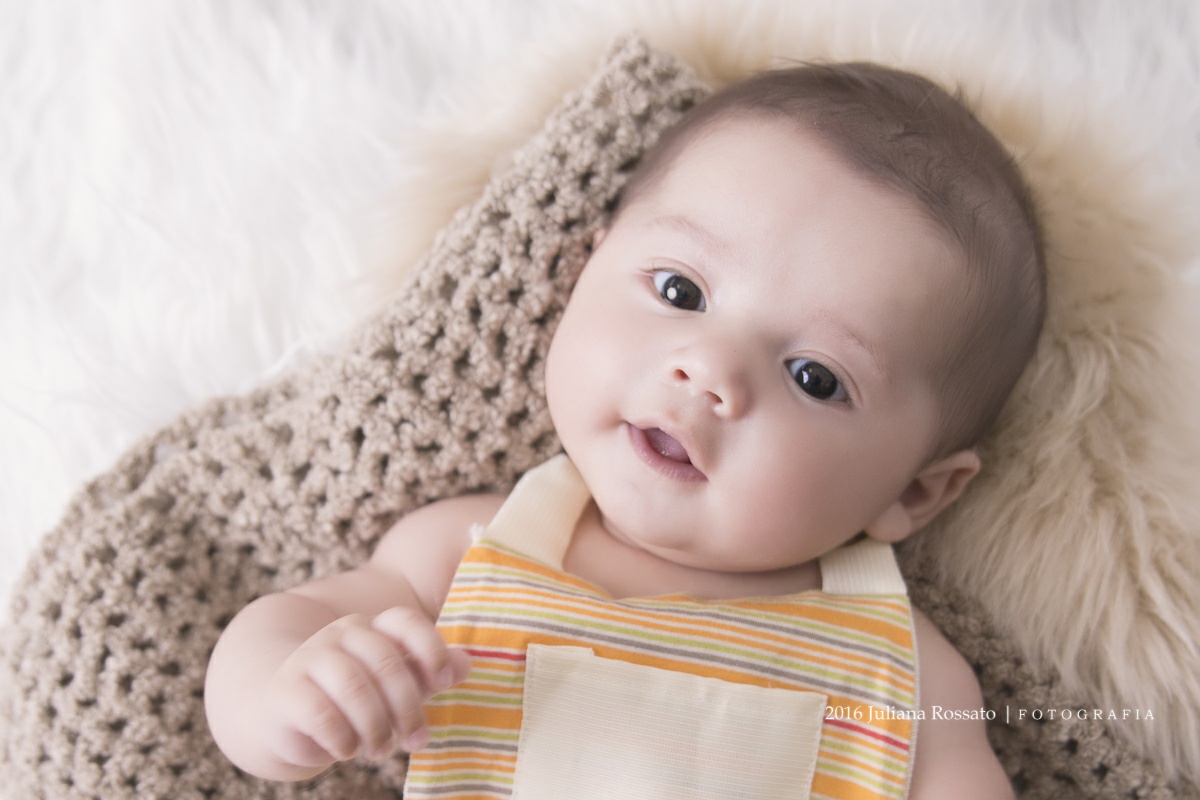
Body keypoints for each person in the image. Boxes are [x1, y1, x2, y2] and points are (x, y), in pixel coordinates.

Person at [205, 61, 1043, 799]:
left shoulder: (906, 672)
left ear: (915, 493)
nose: (708, 371)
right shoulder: (473, 552)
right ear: (583, 273)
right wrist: (293, 697)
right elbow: (280, 631)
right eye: (681, 292)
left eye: (814, 377)